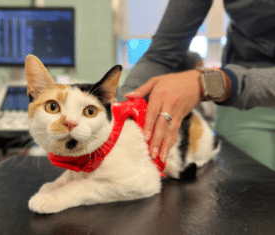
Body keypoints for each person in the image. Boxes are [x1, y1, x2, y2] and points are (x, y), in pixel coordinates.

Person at [117, 0, 275, 169]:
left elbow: (217, 83)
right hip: (243, 106)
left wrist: (211, 83)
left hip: (234, 90)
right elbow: (161, 55)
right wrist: (122, 109)